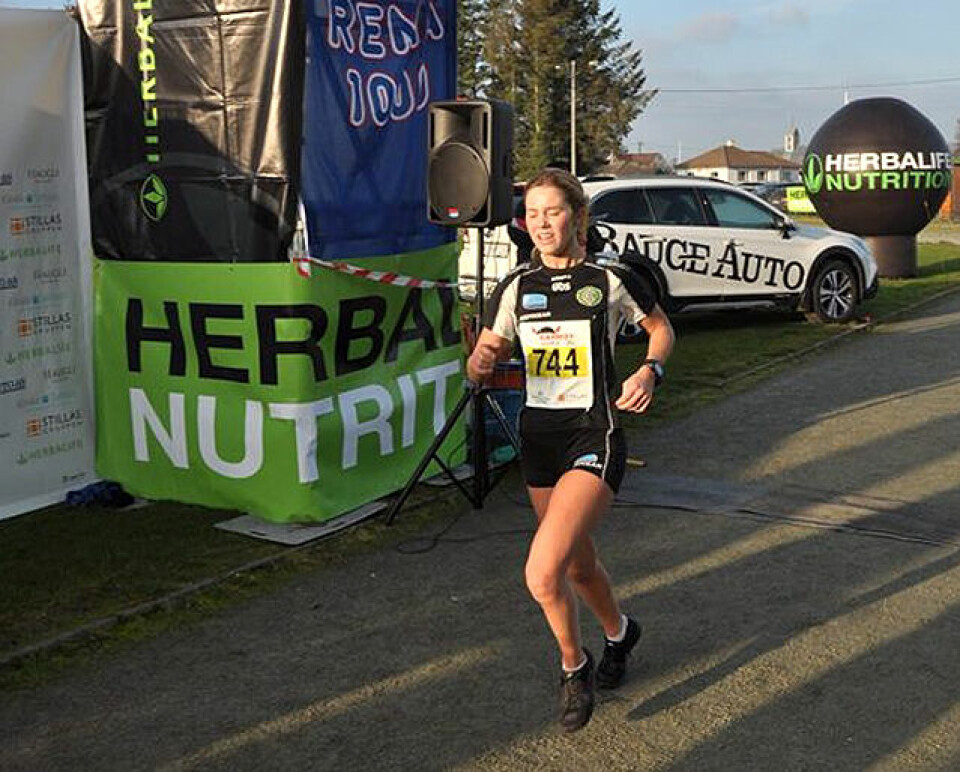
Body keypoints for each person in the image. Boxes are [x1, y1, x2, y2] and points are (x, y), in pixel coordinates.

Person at [466, 168, 675, 733]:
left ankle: (572, 667)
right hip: (539, 441)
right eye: (531, 215)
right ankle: (620, 632)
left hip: (594, 435)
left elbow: (660, 329)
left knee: (541, 573)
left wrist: (649, 370)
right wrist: (479, 363)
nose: (541, 224)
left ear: (577, 217)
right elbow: (485, 352)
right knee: (578, 565)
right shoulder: (513, 288)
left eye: (552, 212)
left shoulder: (607, 279)